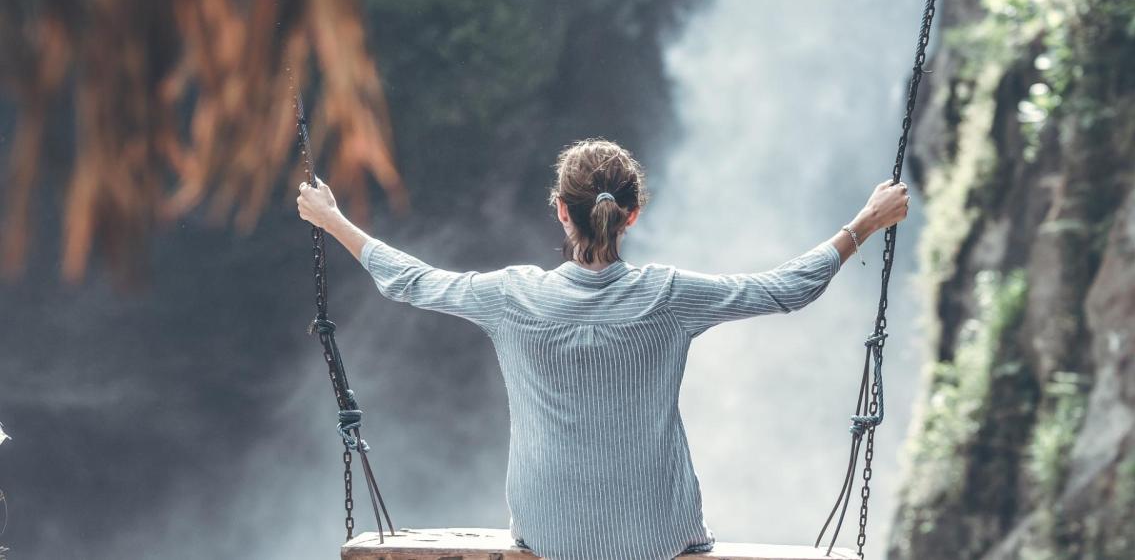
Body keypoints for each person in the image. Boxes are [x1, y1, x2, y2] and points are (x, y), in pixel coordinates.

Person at [295, 137, 909, 560]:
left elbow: (411, 281)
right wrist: (865, 222)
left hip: (550, 535)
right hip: (656, 539)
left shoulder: (511, 297)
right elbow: (785, 290)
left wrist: (333, 219)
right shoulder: (670, 296)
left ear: (561, 212)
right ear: (632, 216)